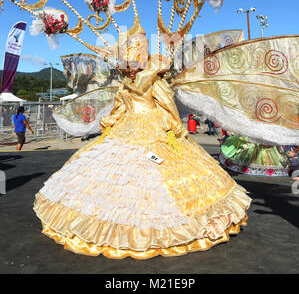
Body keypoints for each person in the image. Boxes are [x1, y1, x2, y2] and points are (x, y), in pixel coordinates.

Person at [33, 20, 251, 258]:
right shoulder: (126, 84)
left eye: (132, 64)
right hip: (125, 131)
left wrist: (171, 130)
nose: (130, 69)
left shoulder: (154, 81)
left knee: (154, 178)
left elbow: (167, 107)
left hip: (153, 129)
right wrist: (109, 126)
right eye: (127, 65)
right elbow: (119, 109)